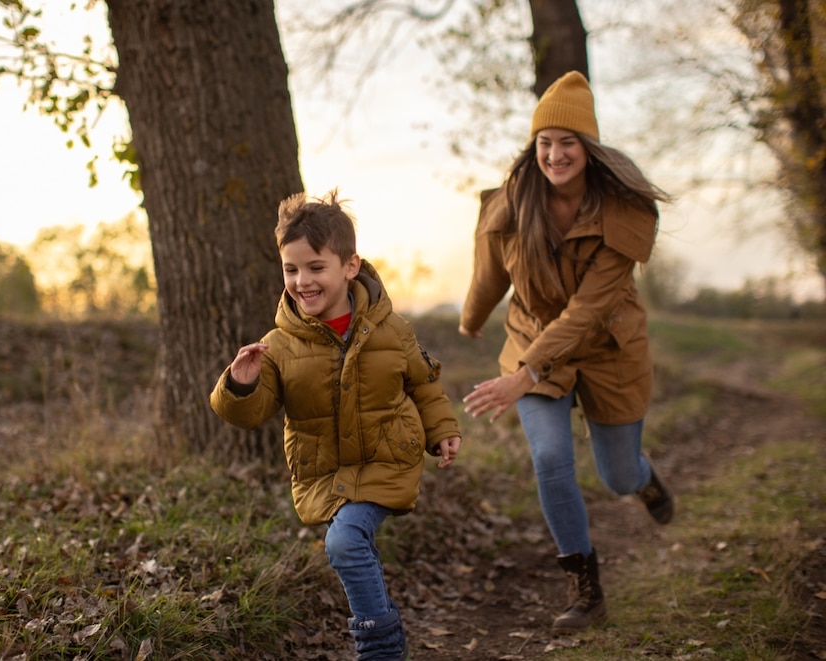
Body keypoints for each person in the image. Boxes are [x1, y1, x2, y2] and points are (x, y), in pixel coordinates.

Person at [458, 71, 675, 634]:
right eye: (544, 142)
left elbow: (585, 314)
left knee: (618, 476)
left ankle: (644, 480)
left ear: (588, 148)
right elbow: (489, 274)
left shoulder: (622, 214)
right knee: (551, 458)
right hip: (532, 338)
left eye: (568, 142)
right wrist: (472, 319)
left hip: (607, 346)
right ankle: (585, 587)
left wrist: (521, 377)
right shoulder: (510, 205)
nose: (554, 154)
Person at [210, 189, 462, 660]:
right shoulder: (279, 345)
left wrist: (442, 430)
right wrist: (240, 385)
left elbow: (424, 384)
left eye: (315, 267)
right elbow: (251, 413)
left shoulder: (392, 329)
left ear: (350, 266)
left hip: (389, 460)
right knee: (350, 543)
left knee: (345, 542)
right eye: (291, 269)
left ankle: (379, 651)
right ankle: (390, 641)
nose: (302, 281)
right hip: (326, 474)